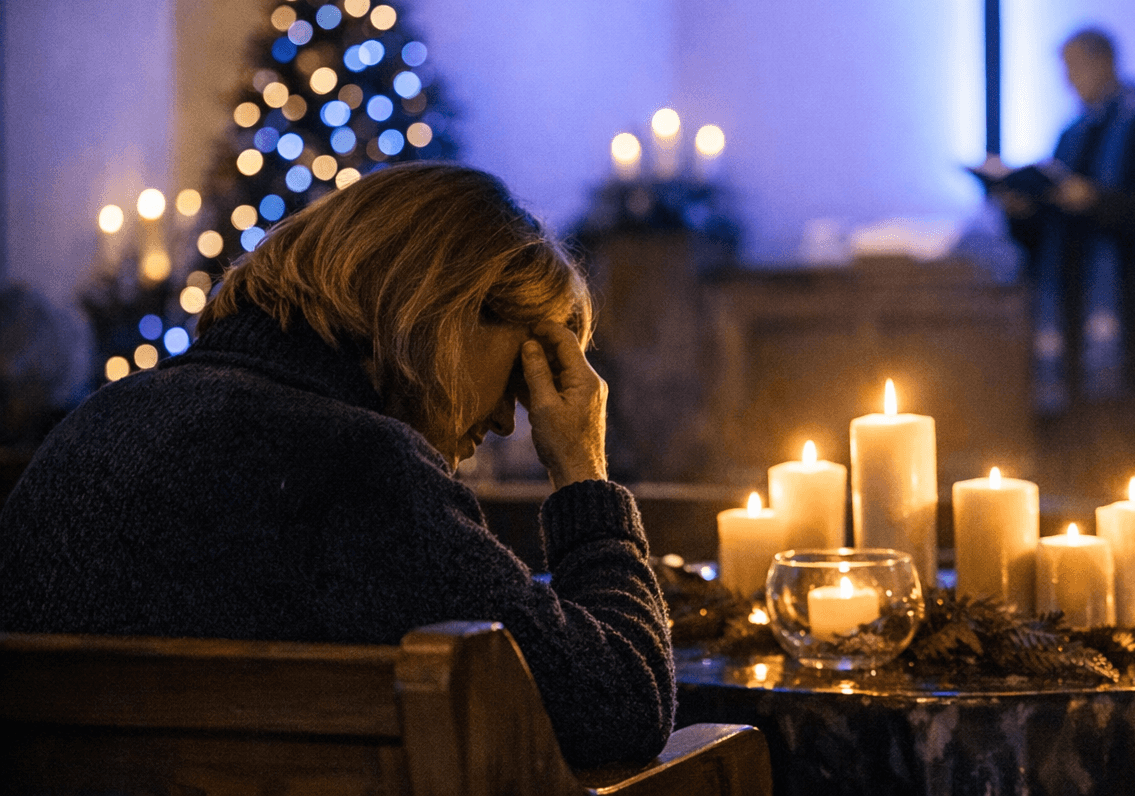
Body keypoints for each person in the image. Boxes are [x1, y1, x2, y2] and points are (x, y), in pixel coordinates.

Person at [0, 163, 673, 768]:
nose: (507, 420)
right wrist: (584, 473)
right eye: (522, 371)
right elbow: (622, 706)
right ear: (449, 313)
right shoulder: (362, 469)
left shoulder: (103, 417)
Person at [988, 27, 1135, 487]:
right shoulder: (1073, 133)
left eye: (1075, 68)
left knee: (1131, 438)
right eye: (1064, 71)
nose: (1069, 81)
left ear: (1105, 62)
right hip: (1072, 315)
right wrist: (1022, 211)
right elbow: (1051, 229)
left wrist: (1098, 201)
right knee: (1081, 446)